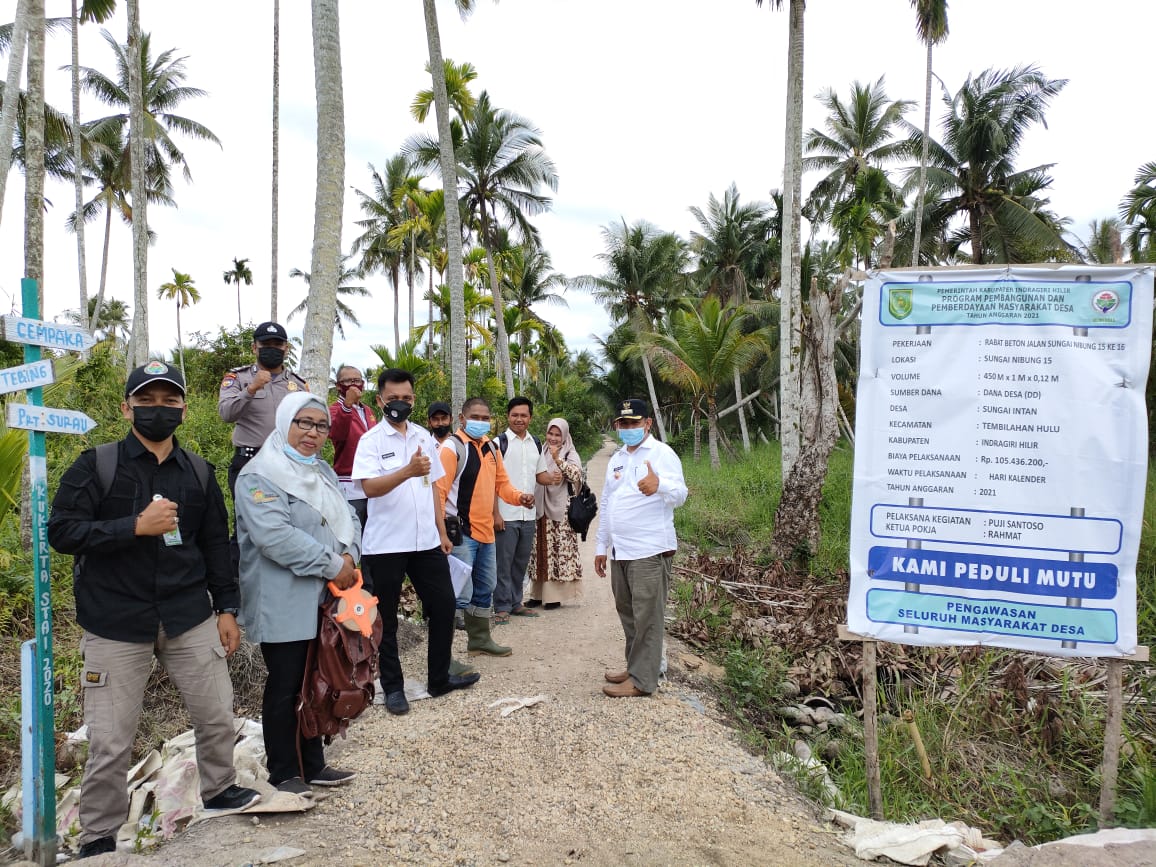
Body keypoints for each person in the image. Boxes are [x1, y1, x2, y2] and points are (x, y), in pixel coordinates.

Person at [48, 361, 260, 859]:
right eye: (147, 401)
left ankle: (220, 789)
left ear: (184, 410)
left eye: (169, 401)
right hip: (115, 623)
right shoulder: (95, 465)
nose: (158, 410)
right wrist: (132, 527)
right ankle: (99, 834)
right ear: (127, 408)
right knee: (110, 740)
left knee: (215, 715)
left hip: (189, 615)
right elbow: (62, 531)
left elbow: (214, 545)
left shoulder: (199, 471)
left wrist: (226, 608)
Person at [235, 392, 360, 797]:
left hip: (325, 596)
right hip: (283, 598)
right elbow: (275, 537)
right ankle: (285, 771)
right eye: (303, 423)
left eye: (321, 425)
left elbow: (350, 515)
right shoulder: (260, 475)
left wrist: (349, 555)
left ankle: (313, 763)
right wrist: (333, 564)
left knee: (316, 679)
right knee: (287, 683)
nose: (313, 432)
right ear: (284, 423)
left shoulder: (321, 470)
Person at [353, 369, 480, 716]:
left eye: (407, 398)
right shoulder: (371, 441)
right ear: (380, 400)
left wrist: (441, 533)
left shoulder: (424, 436)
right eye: (393, 398)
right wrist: (406, 471)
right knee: (388, 618)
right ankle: (393, 687)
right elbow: (368, 488)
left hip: (425, 542)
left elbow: (435, 493)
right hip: (386, 545)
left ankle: (439, 678)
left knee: (442, 607)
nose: (400, 404)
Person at [594, 399, 687, 698]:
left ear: (648, 424)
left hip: (649, 550)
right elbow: (608, 502)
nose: (628, 428)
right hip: (621, 550)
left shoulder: (662, 454)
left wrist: (659, 485)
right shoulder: (618, 457)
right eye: (624, 424)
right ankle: (635, 667)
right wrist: (601, 545)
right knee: (628, 613)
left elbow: (681, 494)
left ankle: (643, 681)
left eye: (635, 423)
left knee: (647, 617)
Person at [435, 398, 534, 657]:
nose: (481, 422)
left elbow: (502, 485)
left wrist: (519, 497)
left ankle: (479, 641)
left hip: (486, 532)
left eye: (485, 418)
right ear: (462, 418)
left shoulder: (491, 447)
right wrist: (441, 532)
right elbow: (438, 494)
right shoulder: (451, 449)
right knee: (459, 593)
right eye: (475, 417)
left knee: (485, 587)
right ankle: (443, 657)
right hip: (460, 534)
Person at [217, 321, 309, 499]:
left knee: (290, 518)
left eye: (277, 344)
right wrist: (251, 389)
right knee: (248, 521)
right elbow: (226, 413)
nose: (272, 348)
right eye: (266, 345)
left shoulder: (298, 384)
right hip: (250, 462)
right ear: (254, 347)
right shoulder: (238, 378)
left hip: (289, 462)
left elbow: (308, 424)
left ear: (286, 348)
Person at [492, 397, 541, 624]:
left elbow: (540, 475)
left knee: (520, 562)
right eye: (515, 415)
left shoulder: (536, 443)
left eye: (524, 415)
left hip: (528, 514)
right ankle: (501, 605)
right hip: (506, 514)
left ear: (530, 417)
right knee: (503, 562)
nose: (519, 419)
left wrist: (556, 475)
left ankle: (515, 602)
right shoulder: (498, 443)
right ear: (508, 416)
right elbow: (490, 481)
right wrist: (496, 513)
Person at [527, 418, 585, 609]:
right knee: (538, 551)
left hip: (560, 511)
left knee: (557, 552)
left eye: (557, 435)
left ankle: (553, 597)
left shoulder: (570, 452)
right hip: (540, 508)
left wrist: (558, 460)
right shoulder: (541, 450)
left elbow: (576, 475)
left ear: (564, 436)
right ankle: (536, 594)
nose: (553, 438)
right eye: (550, 434)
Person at [328, 365, 376, 529]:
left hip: (372, 483)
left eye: (357, 380)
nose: (354, 384)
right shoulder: (334, 410)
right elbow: (337, 434)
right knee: (353, 533)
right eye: (348, 381)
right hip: (349, 484)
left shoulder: (367, 410)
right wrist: (346, 406)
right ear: (338, 386)